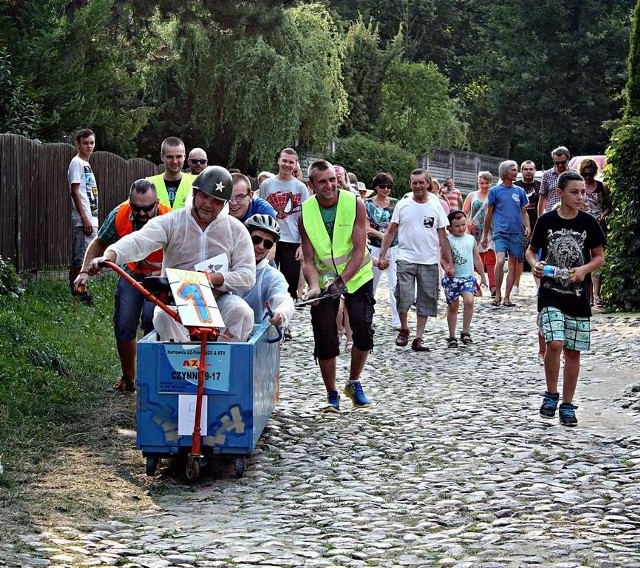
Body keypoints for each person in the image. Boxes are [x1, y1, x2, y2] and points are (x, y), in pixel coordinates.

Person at [90, 166, 256, 343]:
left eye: (216, 200)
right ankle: (182, 364)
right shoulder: (173, 221)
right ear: (194, 192)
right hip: (176, 303)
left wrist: (212, 278)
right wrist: (111, 255)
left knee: (242, 312)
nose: (208, 204)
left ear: (224, 204)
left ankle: (221, 363)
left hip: (218, 299)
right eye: (204, 196)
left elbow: (247, 276)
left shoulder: (236, 230)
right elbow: (139, 240)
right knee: (162, 316)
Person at [73, 179, 171, 392]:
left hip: (159, 276)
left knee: (152, 320)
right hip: (132, 273)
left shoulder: (170, 216)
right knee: (124, 323)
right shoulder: (119, 214)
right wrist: (84, 272)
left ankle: (154, 380)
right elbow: (99, 242)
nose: (143, 213)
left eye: (148, 208)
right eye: (137, 208)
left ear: (157, 202)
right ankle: (128, 379)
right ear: (130, 202)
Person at [526, 171, 606, 427]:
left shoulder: (589, 222)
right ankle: (551, 394)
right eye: (575, 191)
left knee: (573, 351)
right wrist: (535, 265)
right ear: (559, 193)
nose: (581, 196)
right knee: (555, 343)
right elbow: (531, 251)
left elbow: (599, 257)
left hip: (579, 297)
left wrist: (583, 270)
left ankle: (568, 404)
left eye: (583, 191)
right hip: (550, 293)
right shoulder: (546, 220)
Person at [299, 160, 375, 413]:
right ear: (311, 185)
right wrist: (312, 286)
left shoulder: (355, 203)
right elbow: (308, 260)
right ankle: (331, 393)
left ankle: (354, 382)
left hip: (358, 275)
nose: (330, 185)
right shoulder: (306, 212)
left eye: (332, 179)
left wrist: (341, 283)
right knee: (324, 336)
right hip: (323, 279)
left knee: (363, 331)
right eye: (322, 181)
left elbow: (358, 249)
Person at [378, 169, 454, 352]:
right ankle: (404, 328)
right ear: (410, 184)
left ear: (428, 183)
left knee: (427, 298)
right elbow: (390, 231)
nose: (418, 186)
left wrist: (448, 262)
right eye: (414, 183)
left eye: (421, 182)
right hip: (406, 257)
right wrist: (382, 254)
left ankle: (419, 337)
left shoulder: (436, 206)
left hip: (428, 259)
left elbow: (443, 236)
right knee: (404, 294)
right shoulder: (402, 205)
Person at [260, 148, 310, 305]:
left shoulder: (300, 188)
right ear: (279, 161)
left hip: (292, 239)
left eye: (291, 162)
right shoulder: (267, 184)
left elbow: (305, 218)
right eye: (285, 161)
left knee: (290, 281)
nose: (287, 165)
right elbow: (261, 212)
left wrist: (303, 244)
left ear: (295, 165)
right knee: (267, 277)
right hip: (271, 239)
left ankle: (286, 318)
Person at [481, 161, 531, 308]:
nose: (516, 172)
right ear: (505, 173)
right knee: (500, 260)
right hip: (500, 233)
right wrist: (485, 235)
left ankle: (507, 297)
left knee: (513, 264)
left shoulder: (519, 191)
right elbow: (488, 214)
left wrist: (527, 226)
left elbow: (524, 212)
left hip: (516, 233)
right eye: (513, 170)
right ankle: (497, 294)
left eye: (516, 170)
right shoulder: (495, 191)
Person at [442, 210, 488, 347]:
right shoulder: (447, 241)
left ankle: (466, 331)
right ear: (449, 228)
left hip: (468, 277)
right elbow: (442, 258)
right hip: (452, 279)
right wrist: (447, 268)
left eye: (463, 225)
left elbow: (477, 258)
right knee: (453, 307)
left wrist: (483, 277)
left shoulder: (470, 239)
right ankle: (452, 335)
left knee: (469, 301)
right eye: (457, 226)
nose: (461, 228)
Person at [239, 214, 295, 328]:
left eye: (267, 243)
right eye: (256, 240)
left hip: (252, 337)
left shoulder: (272, 276)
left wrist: (281, 313)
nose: (261, 246)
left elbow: (283, 298)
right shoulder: (227, 264)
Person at [365, 172, 400, 330]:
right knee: (370, 284)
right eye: (382, 186)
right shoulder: (367, 204)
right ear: (376, 186)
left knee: (395, 284)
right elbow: (365, 227)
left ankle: (397, 320)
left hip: (394, 247)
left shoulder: (396, 204)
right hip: (374, 247)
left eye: (389, 186)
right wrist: (382, 235)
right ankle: (367, 317)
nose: (386, 189)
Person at [68, 127, 99, 305]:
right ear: (77, 144)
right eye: (85, 143)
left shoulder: (86, 164)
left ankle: (82, 290)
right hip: (83, 220)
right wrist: (85, 218)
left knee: (88, 257)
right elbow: (75, 191)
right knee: (80, 258)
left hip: (91, 217)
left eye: (91, 143)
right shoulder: (77, 163)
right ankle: (76, 294)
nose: (89, 146)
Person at [579, 158, 610, 307]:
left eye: (590, 174)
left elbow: (608, 205)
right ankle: (588, 295)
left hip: (598, 225)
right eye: (585, 174)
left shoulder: (601, 187)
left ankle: (597, 294)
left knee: (597, 259)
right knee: (585, 260)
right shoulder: (579, 188)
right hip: (583, 226)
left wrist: (604, 214)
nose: (588, 177)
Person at [463, 171, 496, 297]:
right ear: (478, 182)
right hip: (474, 230)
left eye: (486, 183)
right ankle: (476, 285)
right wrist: (468, 222)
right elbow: (464, 212)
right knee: (473, 259)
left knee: (490, 256)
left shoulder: (493, 195)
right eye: (481, 183)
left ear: (490, 183)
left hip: (489, 229)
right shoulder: (472, 195)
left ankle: (493, 286)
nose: (484, 186)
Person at [514, 160, 542, 294]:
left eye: (531, 169)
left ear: (535, 171)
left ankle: (538, 286)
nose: (528, 171)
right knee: (518, 257)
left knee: (536, 256)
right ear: (521, 171)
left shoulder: (540, 186)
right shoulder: (515, 186)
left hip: (537, 225)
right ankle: (516, 286)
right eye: (525, 169)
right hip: (519, 226)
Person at [147, 137, 196, 209]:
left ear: (184, 157)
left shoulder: (196, 183)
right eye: (170, 157)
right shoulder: (149, 184)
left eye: (178, 156)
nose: (174, 161)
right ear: (162, 157)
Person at [538, 146, 571, 216]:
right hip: (552, 214)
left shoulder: (574, 174)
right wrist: (540, 218)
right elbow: (542, 198)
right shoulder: (547, 175)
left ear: (568, 159)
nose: (560, 165)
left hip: (570, 213)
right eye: (557, 163)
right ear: (553, 160)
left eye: (563, 162)